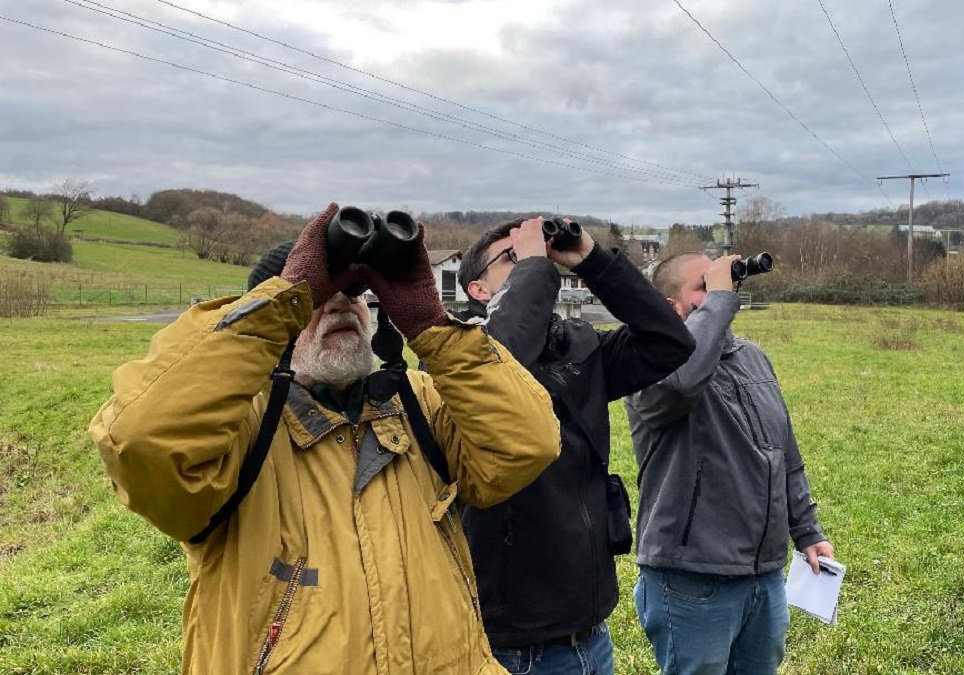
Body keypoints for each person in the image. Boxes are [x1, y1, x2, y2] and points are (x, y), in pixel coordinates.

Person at [88, 203, 561, 675]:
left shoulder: (417, 402)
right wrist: (280, 304)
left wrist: (430, 326)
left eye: (354, 294)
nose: (340, 304)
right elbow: (142, 440)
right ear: (275, 325)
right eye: (316, 298)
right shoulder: (238, 425)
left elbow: (528, 444)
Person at [455, 217, 695, 674]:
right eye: (513, 258)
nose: (534, 261)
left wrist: (593, 261)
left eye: (537, 255)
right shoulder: (460, 355)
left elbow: (670, 341)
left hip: (589, 630)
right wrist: (536, 269)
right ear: (478, 290)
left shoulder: (578, 347)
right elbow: (499, 372)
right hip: (510, 643)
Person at [624, 251, 835, 675]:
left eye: (724, 286)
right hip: (691, 578)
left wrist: (807, 530)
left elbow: (785, 452)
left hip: (763, 575)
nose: (723, 294)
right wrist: (719, 300)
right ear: (670, 306)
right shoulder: (647, 363)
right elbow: (681, 385)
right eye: (704, 287)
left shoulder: (752, 358)